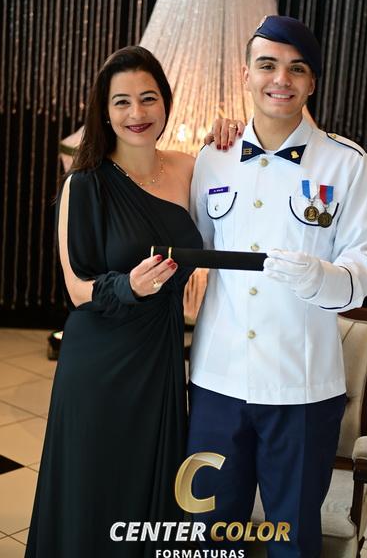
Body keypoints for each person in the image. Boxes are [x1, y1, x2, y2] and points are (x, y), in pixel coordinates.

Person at [188, 15, 367, 557]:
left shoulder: (345, 163)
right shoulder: (212, 156)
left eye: (297, 69)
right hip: (217, 381)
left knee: (292, 538)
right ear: (246, 74)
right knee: (207, 533)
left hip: (302, 388)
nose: (281, 79)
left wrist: (320, 277)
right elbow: (189, 246)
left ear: (312, 82)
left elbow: (366, 267)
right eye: (267, 65)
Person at [25, 46, 203, 558]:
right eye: (121, 101)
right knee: (95, 486)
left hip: (159, 354)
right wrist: (130, 286)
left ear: (166, 102)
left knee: (149, 485)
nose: (136, 113)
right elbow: (76, 287)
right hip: (100, 363)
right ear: (104, 111)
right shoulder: (85, 183)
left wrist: (229, 132)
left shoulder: (191, 170)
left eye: (148, 98)